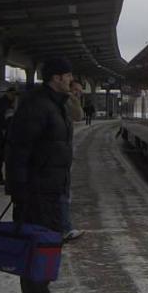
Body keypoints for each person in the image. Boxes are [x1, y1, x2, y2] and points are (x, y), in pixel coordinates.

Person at [5, 57, 74, 293]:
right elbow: (19, 150)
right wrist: (19, 189)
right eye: (68, 75)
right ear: (56, 78)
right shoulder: (37, 106)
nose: (71, 80)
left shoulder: (54, 104)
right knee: (36, 243)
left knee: (48, 243)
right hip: (36, 190)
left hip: (51, 188)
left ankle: (42, 292)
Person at [61, 81, 85, 243]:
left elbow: (78, 116)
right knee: (62, 193)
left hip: (62, 154)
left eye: (80, 92)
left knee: (62, 193)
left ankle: (64, 227)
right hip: (56, 157)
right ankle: (65, 228)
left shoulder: (65, 101)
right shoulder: (63, 101)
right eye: (75, 90)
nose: (77, 93)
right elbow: (78, 115)